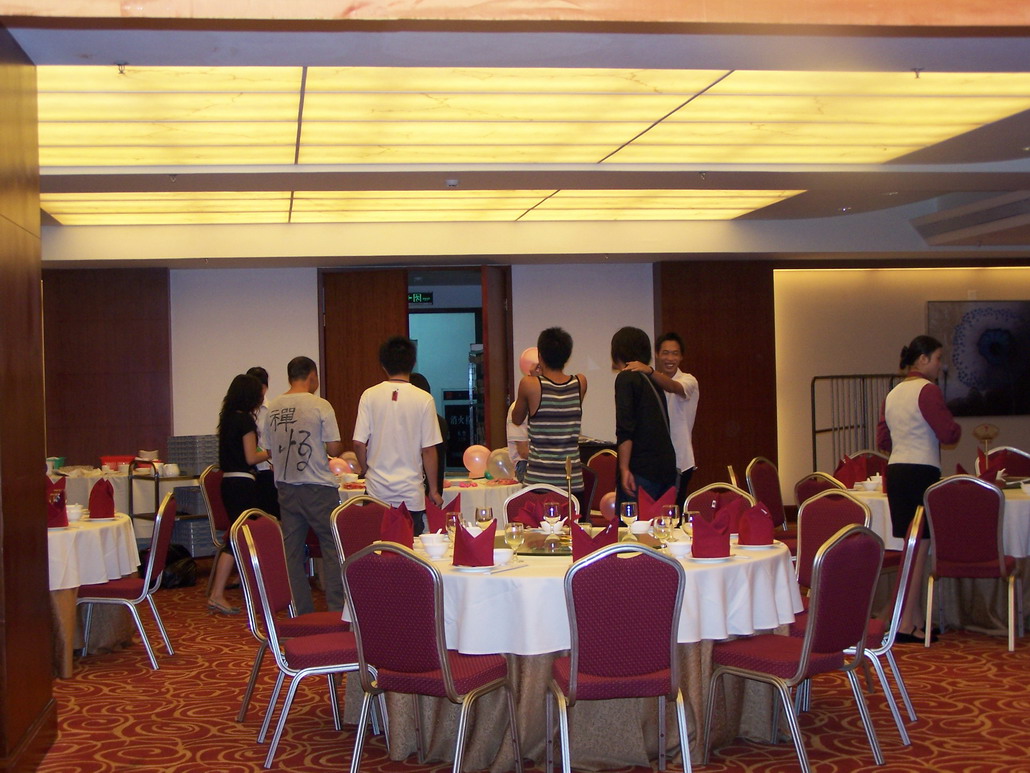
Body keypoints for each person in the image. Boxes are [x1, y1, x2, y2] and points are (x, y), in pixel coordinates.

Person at [876, 334, 961, 642]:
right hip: (920, 472)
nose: (940, 365)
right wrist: (953, 427)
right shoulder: (928, 390)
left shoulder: (893, 393)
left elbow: (883, 440)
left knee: (911, 549)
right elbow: (949, 433)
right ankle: (905, 623)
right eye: (937, 358)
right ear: (923, 360)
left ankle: (911, 617)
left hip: (897, 471)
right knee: (919, 548)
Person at [264, 356, 345, 614]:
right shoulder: (320, 405)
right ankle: (337, 609)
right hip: (318, 487)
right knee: (332, 546)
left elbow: (268, 450)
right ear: (312, 376)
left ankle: (302, 611)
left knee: (292, 552)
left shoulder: (273, 408)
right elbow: (334, 448)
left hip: (286, 488)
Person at [353, 337, 444, 536]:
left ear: (383, 364)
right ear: (413, 363)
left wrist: (366, 469)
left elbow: (359, 443)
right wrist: (434, 490)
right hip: (410, 495)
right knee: (409, 549)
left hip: (376, 493)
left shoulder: (369, 395)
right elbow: (429, 450)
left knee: (376, 547)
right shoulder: (424, 399)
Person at [210, 373, 271, 614]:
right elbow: (251, 457)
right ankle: (217, 594)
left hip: (228, 481)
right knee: (237, 538)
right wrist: (271, 452)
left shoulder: (227, 419)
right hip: (242, 483)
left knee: (237, 536)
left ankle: (227, 590)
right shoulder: (245, 421)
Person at [512, 327, 587, 508]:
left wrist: (535, 378)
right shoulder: (580, 382)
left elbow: (516, 418)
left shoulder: (529, 384)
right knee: (572, 526)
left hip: (538, 481)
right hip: (571, 482)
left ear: (540, 356)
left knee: (536, 527)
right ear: (567, 356)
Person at [627, 332, 699, 508]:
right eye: (665, 353)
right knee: (650, 513)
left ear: (681, 357)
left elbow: (674, 387)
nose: (670, 358)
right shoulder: (649, 382)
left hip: (679, 461)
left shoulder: (688, 380)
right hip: (653, 463)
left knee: (672, 513)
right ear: (657, 355)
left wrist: (649, 371)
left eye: (675, 353)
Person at [611, 326, 677, 507]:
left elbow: (625, 427)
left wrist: (624, 468)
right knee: (660, 522)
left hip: (641, 468)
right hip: (665, 467)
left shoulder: (626, 378)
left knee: (633, 523)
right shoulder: (652, 379)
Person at [246, 365, 280, 518]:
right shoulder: (244, 411)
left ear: (265, 388)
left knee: (270, 516)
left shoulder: (273, 410)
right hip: (247, 470)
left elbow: (277, 441)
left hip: (267, 469)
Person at [409, 372, 448, 499]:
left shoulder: (408, 421)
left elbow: (429, 451)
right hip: (431, 488)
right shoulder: (440, 422)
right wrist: (435, 490)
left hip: (415, 488)